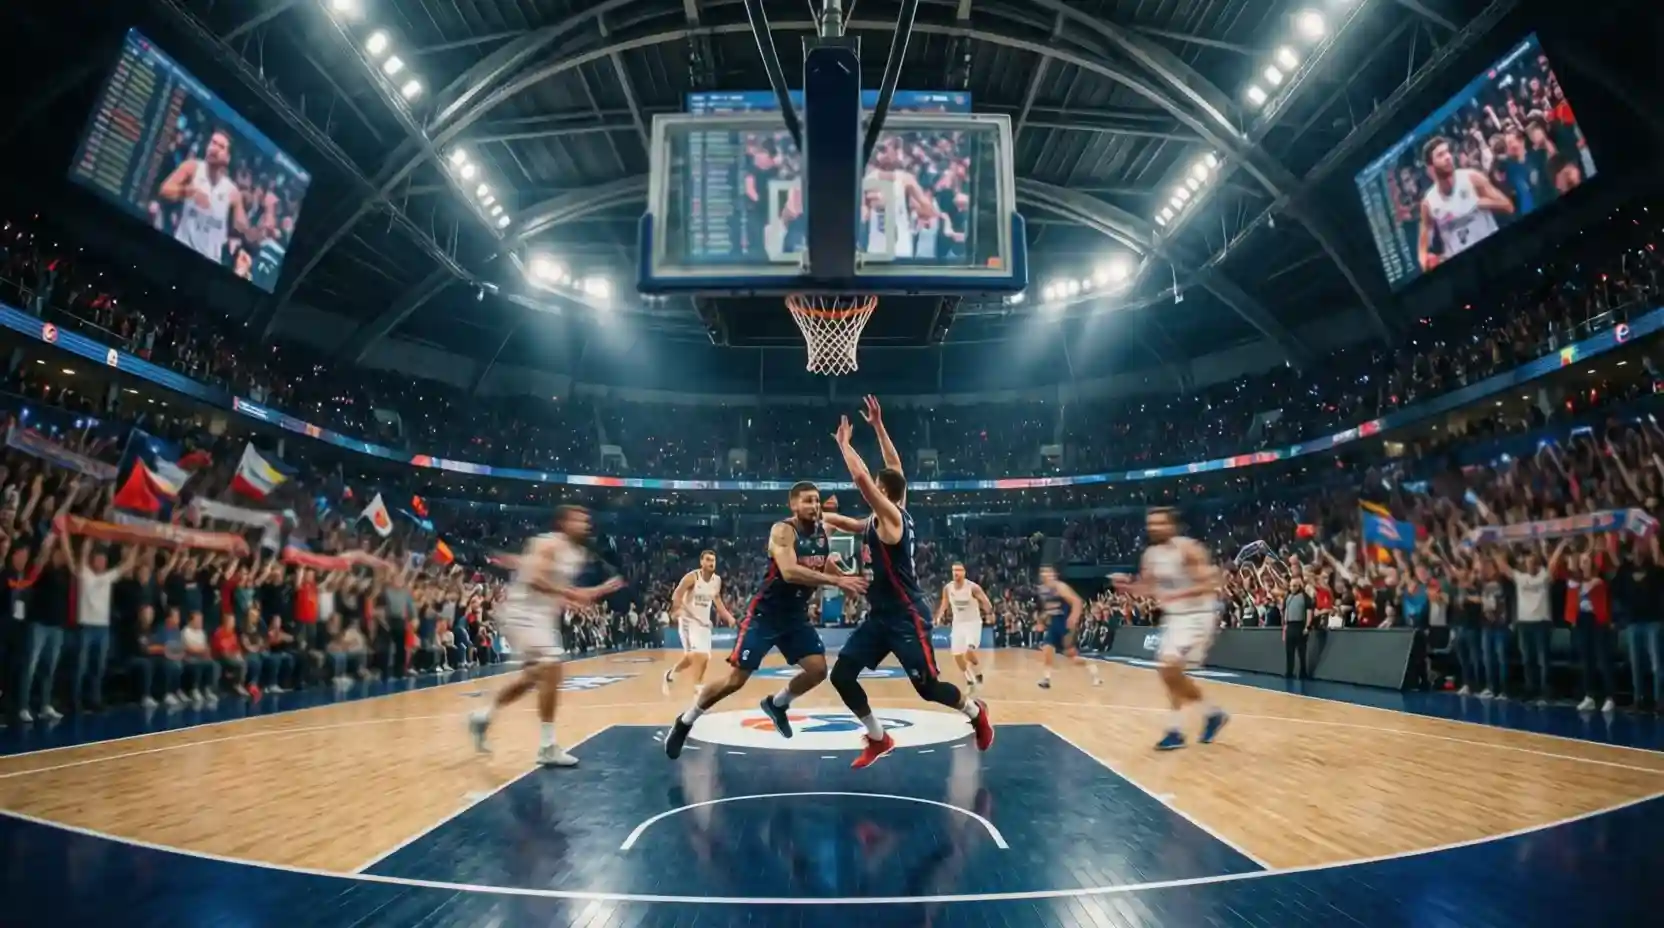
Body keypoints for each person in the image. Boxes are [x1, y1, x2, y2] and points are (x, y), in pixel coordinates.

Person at [820, 398, 993, 769]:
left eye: (879, 490)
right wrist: (879, 427)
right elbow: (892, 470)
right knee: (842, 675)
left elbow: (864, 480)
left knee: (929, 688)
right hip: (880, 616)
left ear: (885, 494)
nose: (875, 492)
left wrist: (845, 445)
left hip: (906, 615)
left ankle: (975, 712)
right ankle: (879, 738)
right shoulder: (882, 516)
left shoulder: (892, 518)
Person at [663, 481, 867, 760]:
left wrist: (845, 576)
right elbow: (790, 571)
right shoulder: (782, 531)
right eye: (807, 501)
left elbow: (836, 547)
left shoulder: (824, 528)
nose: (815, 506)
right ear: (793, 505)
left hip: (795, 616)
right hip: (765, 615)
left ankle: (777, 703)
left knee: (818, 670)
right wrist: (835, 580)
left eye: (817, 501)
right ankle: (685, 721)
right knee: (735, 681)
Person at [469, 505, 624, 767]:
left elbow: (539, 576)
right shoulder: (548, 544)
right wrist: (576, 594)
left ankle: (483, 716)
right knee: (552, 667)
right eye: (579, 519)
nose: (586, 524)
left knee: (532, 678)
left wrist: (582, 595)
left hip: (540, 617)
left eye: (587, 519)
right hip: (522, 613)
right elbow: (533, 579)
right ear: (563, 523)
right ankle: (547, 746)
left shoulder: (578, 553)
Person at [1112, 507, 1228, 751]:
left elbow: (1210, 582)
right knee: (1169, 672)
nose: (1154, 527)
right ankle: (1209, 714)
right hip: (1175, 617)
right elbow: (1148, 589)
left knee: (1170, 668)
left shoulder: (1187, 549)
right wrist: (1127, 587)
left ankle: (1178, 730)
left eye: (1159, 523)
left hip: (1198, 614)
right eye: (1151, 524)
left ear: (1171, 526)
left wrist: (1179, 594)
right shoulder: (1150, 556)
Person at [158, 128, 257, 264]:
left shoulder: (232, 191)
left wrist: (246, 217)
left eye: (221, 147)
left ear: (228, 158)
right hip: (180, 249)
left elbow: (242, 228)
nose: (214, 148)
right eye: (213, 143)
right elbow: (164, 190)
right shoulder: (192, 168)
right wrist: (189, 192)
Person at [1416, 135, 1515, 272]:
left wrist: (1480, 202)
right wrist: (1427, 262)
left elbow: (1508, 206)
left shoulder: (1472, 178)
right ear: (1431, 168)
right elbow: (1422, 249)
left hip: (1494, 255)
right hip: (1465, 271)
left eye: (1447, 152)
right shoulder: (1429, 203)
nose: (1448, 157)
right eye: (1440, 155)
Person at [661, 550, 735, 697]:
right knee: (699, 655)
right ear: (701, 562)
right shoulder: (692, 577)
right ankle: (698, 687)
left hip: (704, 623)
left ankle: (670, 674)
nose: (711, 563)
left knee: (698, 657)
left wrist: (728, 617)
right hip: (688, 621)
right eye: (707, 560)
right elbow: (677, 593)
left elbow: (717, 601)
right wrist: (676, 610)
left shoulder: (716, 581)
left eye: (713, 560)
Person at [1035, 565, 1102, 689]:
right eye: (1044, 572)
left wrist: (1073, 617)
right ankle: (1046, 679)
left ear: (1054, 575)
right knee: (1047, 649)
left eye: (1048, 572)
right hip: (1054, 624)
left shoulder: (1060, 587)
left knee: (1072, 656)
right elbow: (1049, 609)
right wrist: (1042, 620)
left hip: (1064, 624)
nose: (1046, 574)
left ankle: (1093, 671)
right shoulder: (1043, 590)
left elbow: (1077, 601)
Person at [936, 562, 994, 692]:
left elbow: (985, 601)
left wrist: (989, 612)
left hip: (972, 623)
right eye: (953, 570)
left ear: (964, 572)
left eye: (959, 570)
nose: (956, 573)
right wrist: (939, 616)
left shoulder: (973, 588)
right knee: (957, 656)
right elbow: (944, 604)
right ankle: (970, 678)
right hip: (958, 624)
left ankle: (978, 672)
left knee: (969, 652)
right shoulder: (948, 588)